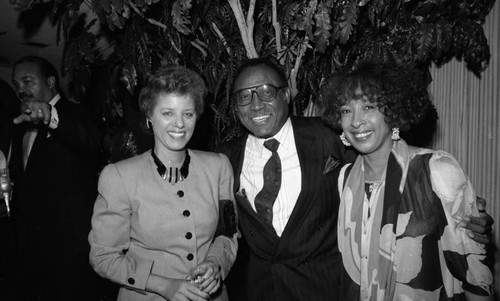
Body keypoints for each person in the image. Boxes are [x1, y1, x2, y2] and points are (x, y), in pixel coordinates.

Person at [218, 57, 494, 301]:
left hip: (327, 291)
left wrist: (469, 218)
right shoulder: (224, 160)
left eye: (266, 91)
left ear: (286, 94)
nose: (256, 104)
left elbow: (462, 246)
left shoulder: (328, 137)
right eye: (244, 96)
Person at [319, 61, 493, 300]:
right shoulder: (345, 178)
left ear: (392, 112)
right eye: (346, 110)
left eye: (368, 106)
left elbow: (475, 274)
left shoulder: (435, 169)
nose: (356, 121)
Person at [88, 65, 238, 301]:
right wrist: (164, 285)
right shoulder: (119, 176)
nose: (179, 124)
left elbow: (228, 234)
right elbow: (103, 257)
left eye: (187, 114)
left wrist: (215, 263)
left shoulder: (218, 166)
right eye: (167, 113)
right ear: (150, 117)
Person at [7, 55, 103, 300]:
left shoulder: (77, 113)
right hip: (30, 252)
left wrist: (51, 117)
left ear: (50, 81)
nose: (20, 90)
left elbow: (92, 143)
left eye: (27, 81)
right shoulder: (20, 127)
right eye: (16, 84)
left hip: (71, 252)